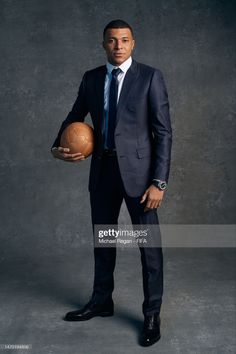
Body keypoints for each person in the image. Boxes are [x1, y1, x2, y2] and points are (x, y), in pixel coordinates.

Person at [51, 19, 172, 347]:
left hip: (141, 176)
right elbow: (74, 117)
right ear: (103, 44)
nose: (118, 46)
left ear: (133, 44)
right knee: (104, 240)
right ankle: (102, 300)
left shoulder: (150, 77)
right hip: (102, 173)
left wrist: (159, 182)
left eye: (124, 40)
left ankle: (152, 312)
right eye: (112, 41)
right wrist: (57, 148)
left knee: (149, 248)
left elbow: (163, 133)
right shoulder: (91, 79)